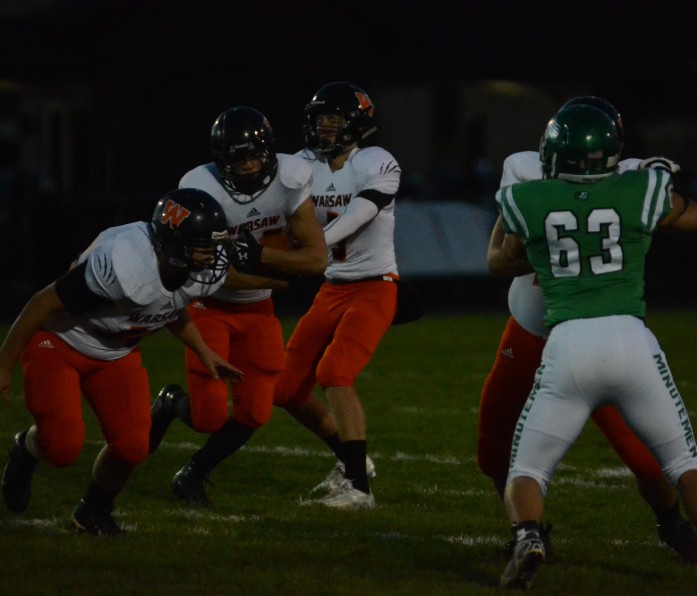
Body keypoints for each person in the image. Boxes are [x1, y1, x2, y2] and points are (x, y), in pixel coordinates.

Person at [489, 104, 697, 591]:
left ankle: (528, 538)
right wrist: (653, 194)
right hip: (631, 340)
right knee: (686, 461)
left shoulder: (528, 196)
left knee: (527, 468)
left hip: (568, 343)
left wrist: (541, 235)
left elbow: (503, 255)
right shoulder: (638, 187)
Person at [0, 189, 242, 535]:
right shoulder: (124, 263)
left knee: (132, 446)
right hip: (60, 341)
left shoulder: (183, 269)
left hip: (116, 352)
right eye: (203, 246)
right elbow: (42, 303)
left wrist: (204, 350)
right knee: (62, 448)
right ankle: (25, 450)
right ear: (171, 244)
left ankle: (92, 512)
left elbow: (169, 305)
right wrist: (4, 364)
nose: (213, 256)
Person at [148, 106, 328, 508]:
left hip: (259, 311)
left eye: (253, 157)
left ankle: (193, 473)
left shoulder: (292, 178)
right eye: (237, 159)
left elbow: (317, 259)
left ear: (270, 154)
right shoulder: (199, 188)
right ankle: (170, 403)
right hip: (209, 307)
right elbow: (211, 274)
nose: (247, 167)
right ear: (220, 161)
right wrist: (277, 274)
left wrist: (259, 256)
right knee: (208, 416)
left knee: (255, 412)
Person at [272, 81, 402, 510]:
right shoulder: (303, 164)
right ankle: (353, 463)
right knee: (286, 389)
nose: (324, 131)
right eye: (319, 122)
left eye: (332, 122)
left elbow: (359, 213)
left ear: (356, 124)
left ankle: (359, 491)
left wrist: (312, 247)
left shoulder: (376, 160)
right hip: (331, 288)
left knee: (335, 372)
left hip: (374, 287)